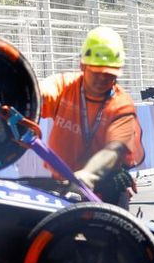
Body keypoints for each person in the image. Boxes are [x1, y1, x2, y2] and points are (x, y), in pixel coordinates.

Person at [38, 26, 145, 206]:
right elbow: (40, 94)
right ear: (82, 66)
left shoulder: (122, 104)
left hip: (105, 187)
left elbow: (114, 150)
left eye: (109, 74)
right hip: (61, 185)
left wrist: (87, 175)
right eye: (96, 72)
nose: (102, 79)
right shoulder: (64, 86)